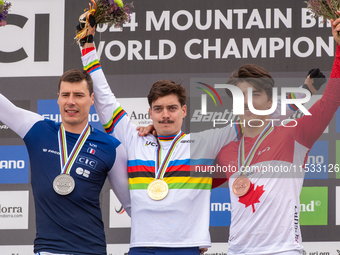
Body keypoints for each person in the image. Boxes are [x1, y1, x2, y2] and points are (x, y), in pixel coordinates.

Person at [78, 22, 326, 254]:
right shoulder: (134, 138)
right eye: (158, 109)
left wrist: (303, 93)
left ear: (184, 111)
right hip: (142, 246)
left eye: (172, 108)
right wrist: (87, 48)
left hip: (188, 247)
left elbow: (257, 112)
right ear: (149, 111)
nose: (165, 116)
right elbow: (104, 100)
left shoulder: (204, 143)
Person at [213, 17, 340, 255]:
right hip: (236, 251)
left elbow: (332, 99)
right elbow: (188, 187)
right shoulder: (225, 148)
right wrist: (154, 133)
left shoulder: (295, 134)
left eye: (256, 95)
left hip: (283, 250)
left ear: (270, 102)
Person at [0, 69, 131, 255]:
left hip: (91, 250)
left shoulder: (111, 147)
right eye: (65, 95)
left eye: (79, 95)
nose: (71, 101)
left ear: (92, 99)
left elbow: (131, 205)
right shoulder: (37, 129)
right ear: (58, 99)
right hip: (48, 250)